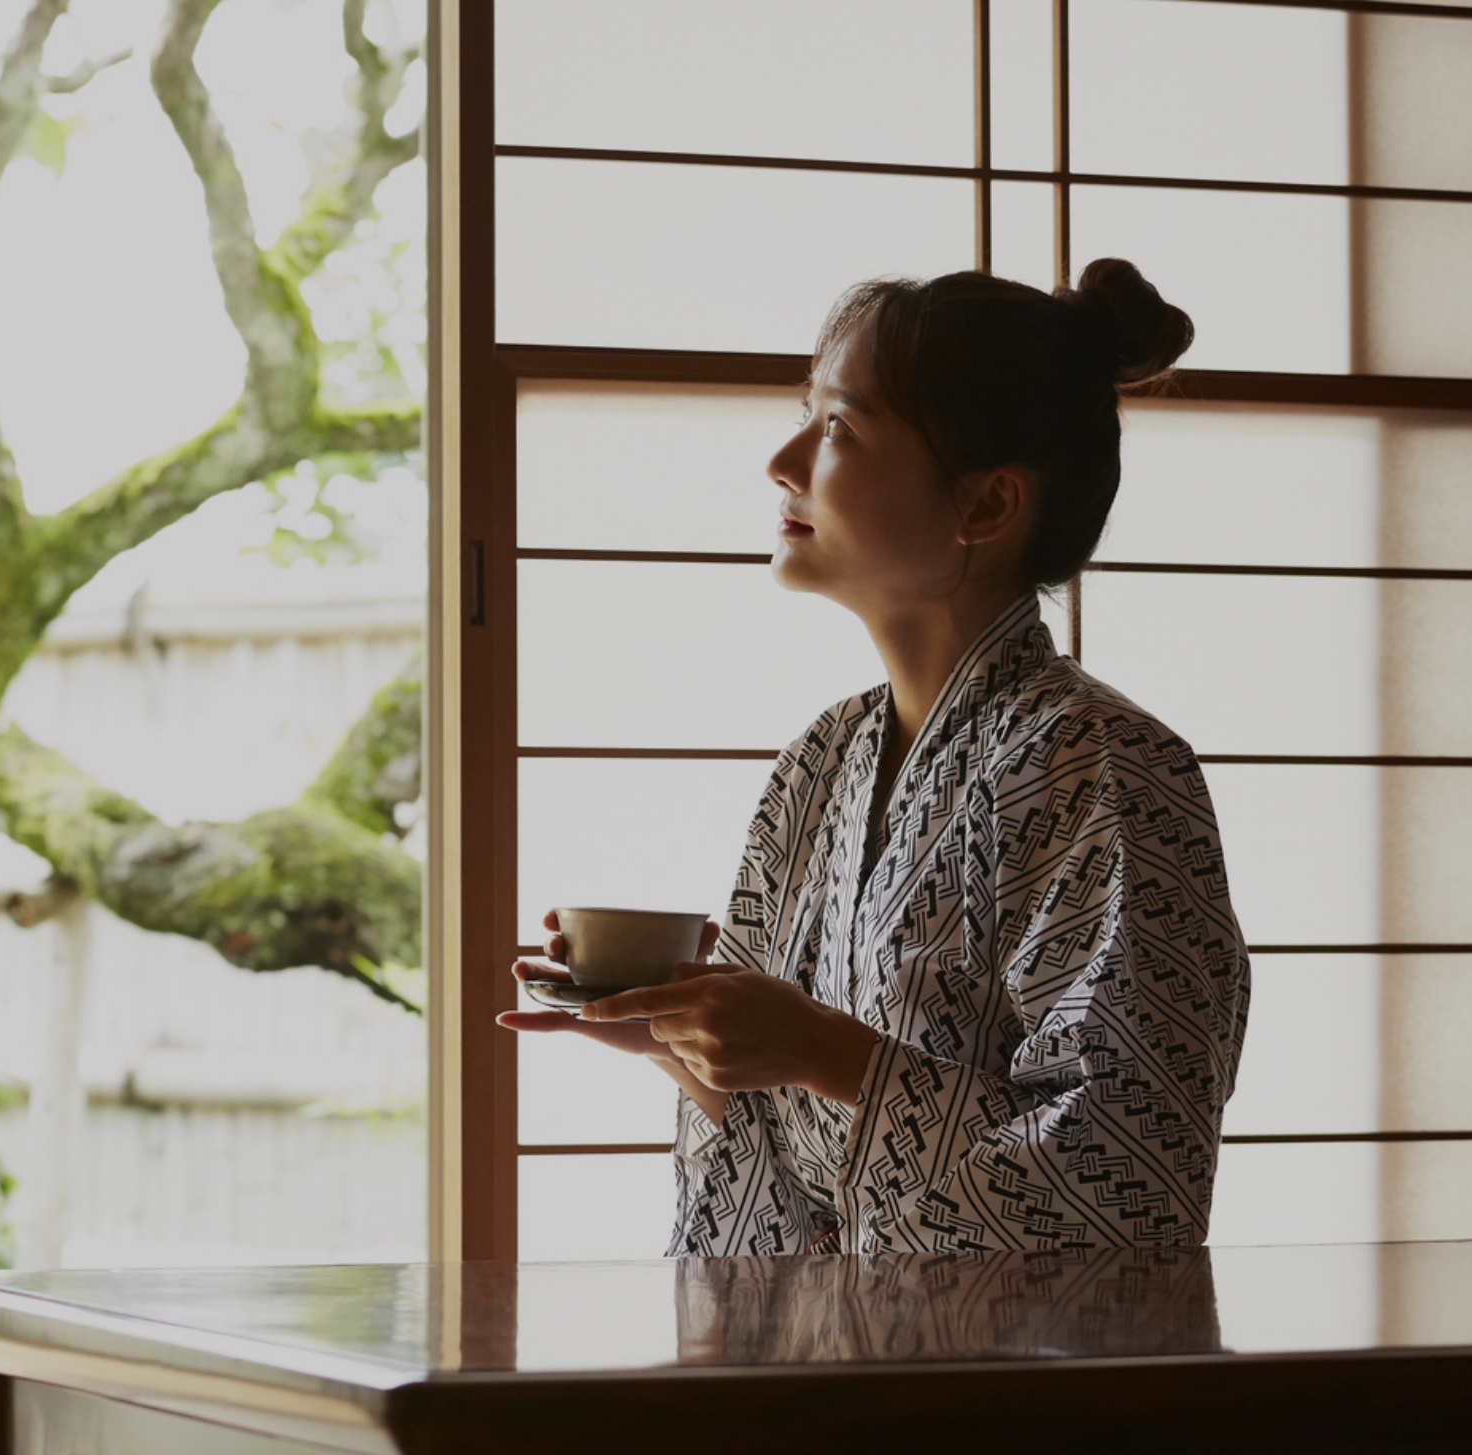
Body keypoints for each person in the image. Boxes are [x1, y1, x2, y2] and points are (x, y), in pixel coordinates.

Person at [504, 260, 1251, 1254]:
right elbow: (782, 1154)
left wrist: (819, 1048)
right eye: (805, 415)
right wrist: (684, 1039)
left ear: (985, 506)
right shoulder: (816, 765)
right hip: (844, 1376)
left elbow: (1130, 1179)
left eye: (840, 427)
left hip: (1036, 1394)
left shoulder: (1104, 764)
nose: (784, 458)